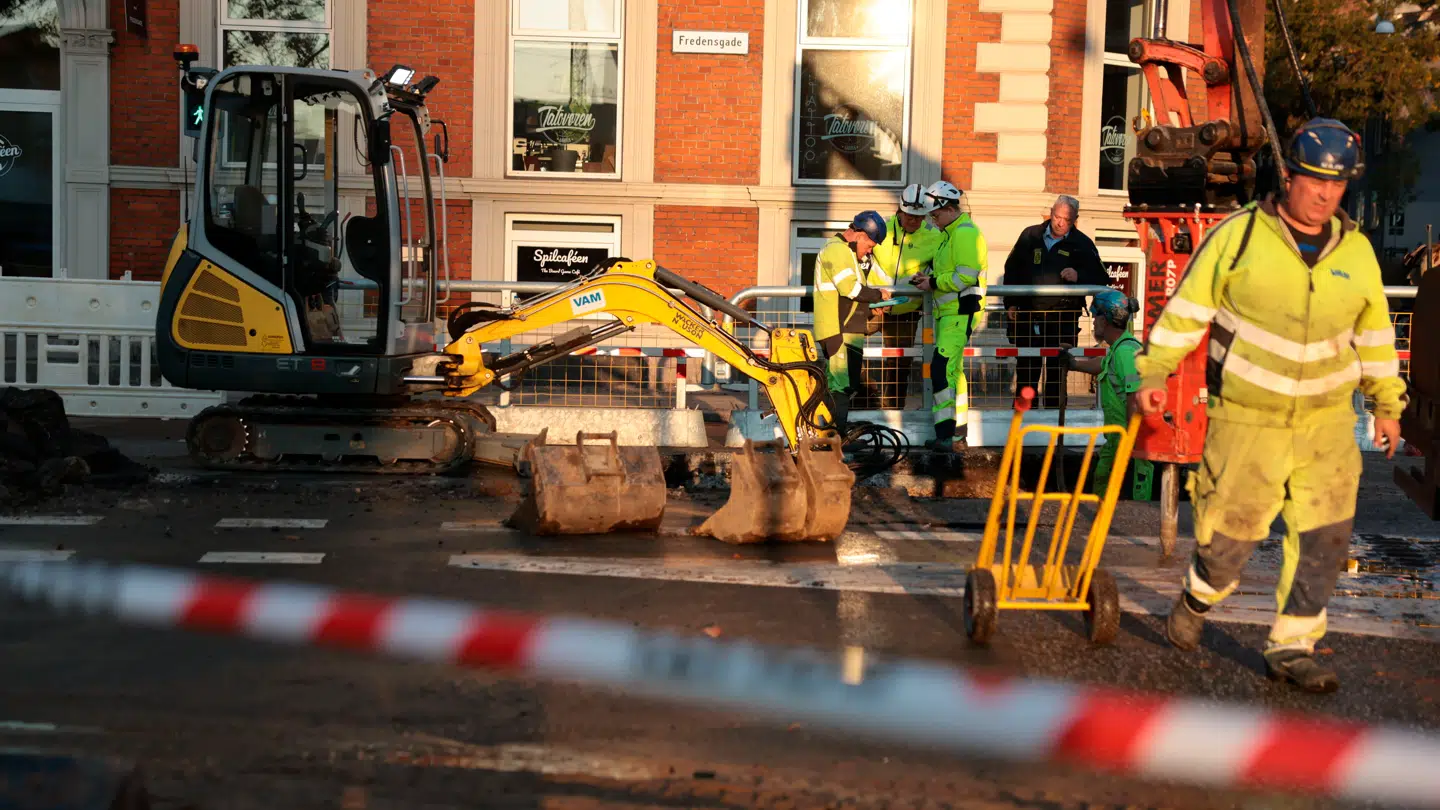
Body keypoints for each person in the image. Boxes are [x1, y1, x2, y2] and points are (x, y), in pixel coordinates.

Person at [1134, 117, 1405, 693]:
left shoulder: (1356, 251)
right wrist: (1154, 369)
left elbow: (1375, 334)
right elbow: (1186, 311)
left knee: (1324, 541)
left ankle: (1292, 647)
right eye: (1315, 182)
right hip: (1247, 421)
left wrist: (1387, 405)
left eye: (1337, 185)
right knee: (1228, 542)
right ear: (1289, 177)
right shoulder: (1239, 237)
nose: (1326, 195)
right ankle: (1199, 594)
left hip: (1327, 426)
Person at [1002, 196, 1109, 408]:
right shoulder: (1031, 235)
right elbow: (1011, 270)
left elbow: (1102, 278)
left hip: (1063, 315)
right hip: (1028, 313)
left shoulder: (1082, 243)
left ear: (1075, 220)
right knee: (1027, 368)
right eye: (1056, 217)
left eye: (1066, 220)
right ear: (1051, 213)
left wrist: (1079, 276)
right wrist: (1011, 302)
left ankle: (1054, 420)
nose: (1059, 223)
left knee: (1057, 369)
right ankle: (1024, 417)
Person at [910, 181, 987, 451]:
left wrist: (932, 283)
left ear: (950, 208)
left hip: (959, 312)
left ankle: (947, 434)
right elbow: (951, 272)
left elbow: (965, 275)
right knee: (952, 372)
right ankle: (956, 434)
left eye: (935, 214)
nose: (933, 219)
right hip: (951, 312)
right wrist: (929, 278)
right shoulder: (950, 233)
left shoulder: (963, 233)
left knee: (942, 370)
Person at [1060, 289, 1154, 500]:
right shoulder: (1118, 349)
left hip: (1127, 440)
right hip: (1116, 439)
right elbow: (1102, 365)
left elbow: (1135, 397)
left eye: (1095, 317)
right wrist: (1074, 364)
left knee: (1131, 503)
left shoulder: (1125, 353)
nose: (1093, 323)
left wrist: (1132, 442)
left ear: (1106, 320)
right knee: (1102, 481)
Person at [865, 183, 945, 409]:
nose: (914, 221)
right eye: (910, 216)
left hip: (906, 310)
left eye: (919, 217)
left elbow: (939, 269)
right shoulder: (881, 228)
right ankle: (866, 396)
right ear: (899, 210)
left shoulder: (935, 236)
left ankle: (892, 411)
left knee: (899, 363)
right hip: (873, 304)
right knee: (848, 344)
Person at [813, 211, 892, 430]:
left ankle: (835, 433)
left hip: (849, 328)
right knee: (840, 384)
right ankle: (834, 436)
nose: (869, 251)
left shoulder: (848, 254)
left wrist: (870, 309)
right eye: (870, 246)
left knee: (847, 384)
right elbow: (850, 289)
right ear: (860, 235)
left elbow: (850, 297)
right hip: (837, 328)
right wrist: (878, 295)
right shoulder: (836, 251)